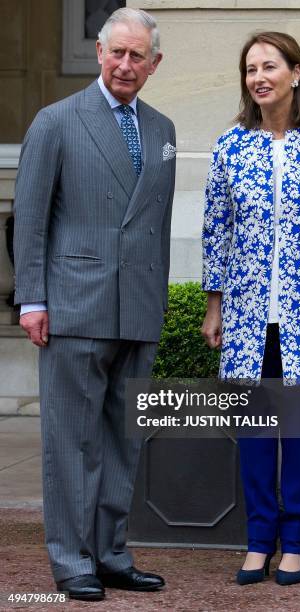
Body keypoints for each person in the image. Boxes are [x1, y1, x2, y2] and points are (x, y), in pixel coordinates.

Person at [13, 7, 176, 602]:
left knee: (122, 441)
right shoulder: (56, 121)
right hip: (74, 307)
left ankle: (111, 555)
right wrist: (32, 298)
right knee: (71, 442)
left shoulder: (162, 130)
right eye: (117, 53)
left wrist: (158, 300)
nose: (125, 65)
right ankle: (71, 560)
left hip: (137, 308)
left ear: (154, 64)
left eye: (138, 56)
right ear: (99, 54)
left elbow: (154, 225)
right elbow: (28, 221)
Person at [201, 31, 300, 586]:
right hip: (248, 313)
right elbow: (216, 231)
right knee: (253, 434)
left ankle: (294, 542)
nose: (258, 77)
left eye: (269, 65)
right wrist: (213, 305)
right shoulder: (231, 145)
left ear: (296, 73)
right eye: (250, 68)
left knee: (297, 432)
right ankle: (257, 541)